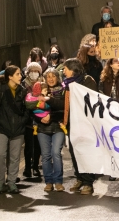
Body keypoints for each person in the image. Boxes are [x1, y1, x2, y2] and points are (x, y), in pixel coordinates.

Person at [0, 66, 29, 195]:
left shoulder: (23, 92)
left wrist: (22, 122)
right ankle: (0, 182)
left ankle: (11, 182)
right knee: (0, 155)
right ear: (10, 76)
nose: (20, 76)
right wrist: (0, 121)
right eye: (17, 74)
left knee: (15, 157)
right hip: (2, 129)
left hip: (18, 129)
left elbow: (27, 109)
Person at [62, 58, 98, 195]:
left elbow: (91, 100)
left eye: (65, 69)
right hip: (72, 122)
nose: (63, 72)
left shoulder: (87, 81)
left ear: (72, 69)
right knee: (74, 151)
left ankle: (88, 182)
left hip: (85, 123)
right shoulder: (67, 84)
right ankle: (80, 178)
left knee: (85, 152)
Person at [27, 68, 67, 192]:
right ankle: (48, 181)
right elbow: (31, 110)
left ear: (57, 77)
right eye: (48, 76)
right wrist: (40, 119)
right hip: (42, 128)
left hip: (58, 127)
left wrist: (51, 116)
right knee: (45, 155)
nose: (50, 79)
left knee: (56, 153)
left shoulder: (63, 91)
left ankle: (58, 181)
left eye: (53, 76)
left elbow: (64, 109)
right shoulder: (39, 91)